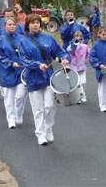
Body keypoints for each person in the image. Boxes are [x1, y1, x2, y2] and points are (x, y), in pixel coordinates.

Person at [18, 14, 69, 146]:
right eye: (32, 22)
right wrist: (37, 65)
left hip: (48, 77)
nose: (35, 25)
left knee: (49, 106)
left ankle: (48, 128)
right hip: (33, 79)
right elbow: (23, 60)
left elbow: (59, 52)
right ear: (27, 25)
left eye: (37, 22)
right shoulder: (23, 42)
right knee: (38, 109)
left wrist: (64, 58)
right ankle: (40, 134)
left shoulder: (48, 38)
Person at [0, 17, 27, 129]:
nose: (12, 26)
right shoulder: (0, 40)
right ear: (5, 26)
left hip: (21, 71)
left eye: (14, 24)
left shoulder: (22, 39)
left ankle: (19, 114)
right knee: (9, 98)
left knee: (20, 96)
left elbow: (27, 52)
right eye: (10, 24)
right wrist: (11, 63)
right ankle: (11, 119)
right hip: (7, 72)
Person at [66, 31, 90, 104]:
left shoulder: (85, 46)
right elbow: (68, 50)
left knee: (83, 82)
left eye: (79, 36)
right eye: (76, 36)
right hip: (74, 66)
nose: (77, 37)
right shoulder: (71, 45)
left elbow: (89, 54)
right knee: (77, 83)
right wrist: (74, 45)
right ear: (74, 37)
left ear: (81, 37)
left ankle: (82, 95)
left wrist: (87, 59)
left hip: (82, 66)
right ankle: (80, 97)